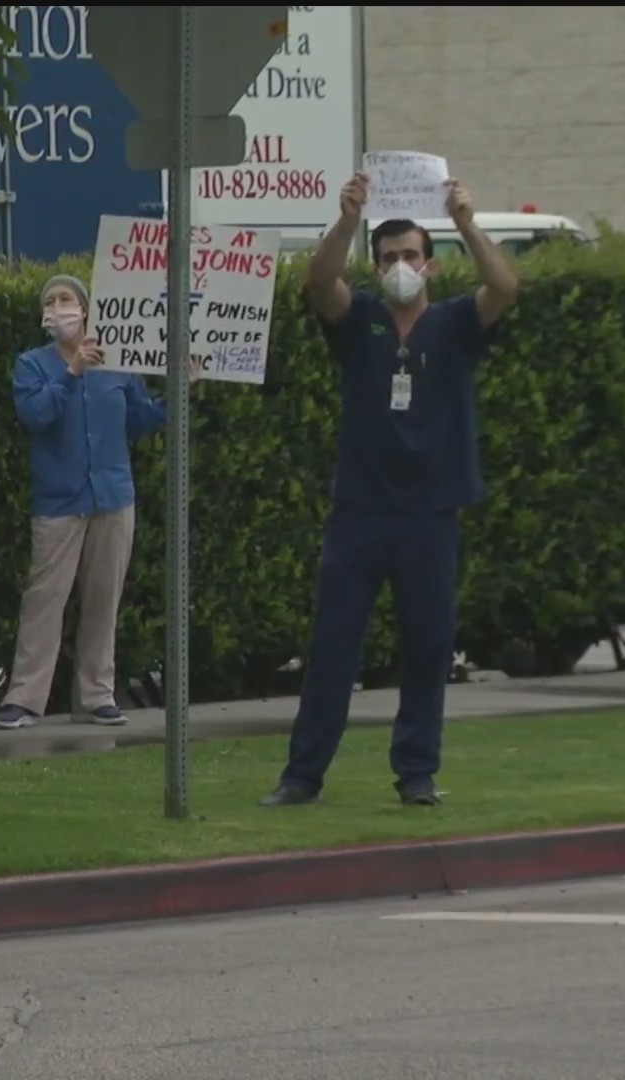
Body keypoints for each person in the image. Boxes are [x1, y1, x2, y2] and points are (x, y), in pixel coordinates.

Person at [260, 174, 517, 809]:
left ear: (429, 265)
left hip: (430, 513)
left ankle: (417, 773)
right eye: (388, 259)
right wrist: (347, 220)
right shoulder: (361, 324)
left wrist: (465, 222)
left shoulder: (456, 324)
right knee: (333, 647)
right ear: (375, 269)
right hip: (361, 512)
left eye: (409, 256)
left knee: (430, 646)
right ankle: (302, 776)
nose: (400, 267)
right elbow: (320, 284)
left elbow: (505, 288)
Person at [0, 276, 188, 732]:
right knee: (45, 599)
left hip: (113, 497)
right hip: (58, 501)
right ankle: (25, 699)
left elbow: (139, 420)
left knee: (103, 599)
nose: (59, 308)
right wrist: (71, 371)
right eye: (51, 301)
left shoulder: (117, 364)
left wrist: (178, 389)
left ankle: (96, 695)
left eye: (67, 300)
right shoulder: (32, 365)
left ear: (86, 309)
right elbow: (36, 416)